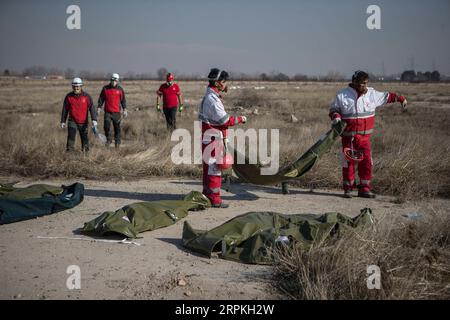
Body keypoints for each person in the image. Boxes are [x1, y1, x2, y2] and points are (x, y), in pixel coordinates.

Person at [329, 70, 408, 198]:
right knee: (348, 164)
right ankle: (348, 189)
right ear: (354, 82)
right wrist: (336, 117)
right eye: (360, 84)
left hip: (365, 139)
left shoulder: (372, 94)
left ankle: (364, 189)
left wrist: (401, 99)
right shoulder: (342, 95)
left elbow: (388, 96)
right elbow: (334, 109)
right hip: (349, 138)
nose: (363, 86)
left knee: (366, 163)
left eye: (365, 83)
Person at [199, 68, 247, 208]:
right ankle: (215, 199)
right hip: (214, 140)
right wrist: (240, 119)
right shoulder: (212, 100)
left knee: (208, 169)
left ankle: (207, 194)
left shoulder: (210, 97)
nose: (226, 85)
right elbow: (224, 121)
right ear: (219, 83)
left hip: (208, 138)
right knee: (215, 170)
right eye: (225, 82)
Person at [61, 77, 97, 152]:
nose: (76, 88)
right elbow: (65, 109)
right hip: (72, 121)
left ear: (81, 86)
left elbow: (91, 108)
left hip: (83, 122)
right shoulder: (68, 97)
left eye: (77, 87)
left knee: (84, 138)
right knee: (71, 137)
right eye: (74, 86)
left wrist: (94, 119)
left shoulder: (87, 96)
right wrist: (63, 121)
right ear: (72, 87)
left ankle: (86, 153)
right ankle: (70, 154)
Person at [97, 73, 127, 148]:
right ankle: (109, 139)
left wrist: (125, 109)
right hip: (107, 112)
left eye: (115, 80)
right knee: (106, 126)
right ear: (110, 80)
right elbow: (101, 98)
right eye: (112, 80)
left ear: (118, 81)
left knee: (117, 128)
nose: (114, 82)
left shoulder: (120, 89)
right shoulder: (105, 88)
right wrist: (99, 107)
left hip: (116, 113)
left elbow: (123, 100)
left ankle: (117, 143)